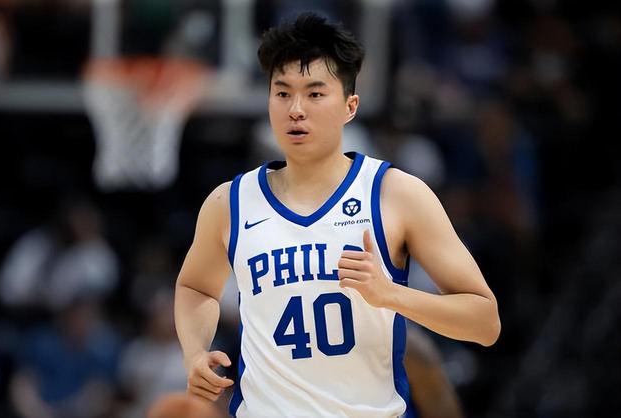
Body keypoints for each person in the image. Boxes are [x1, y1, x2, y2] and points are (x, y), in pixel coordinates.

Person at [174, 12, 500, 417]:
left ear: (350, 106)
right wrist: (194, 353)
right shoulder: (229, 202)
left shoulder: (396, 194)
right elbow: (195, 288)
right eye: (282, 93)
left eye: (314, 94)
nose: (296, 109)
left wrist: (392, 295)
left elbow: (485, 322)